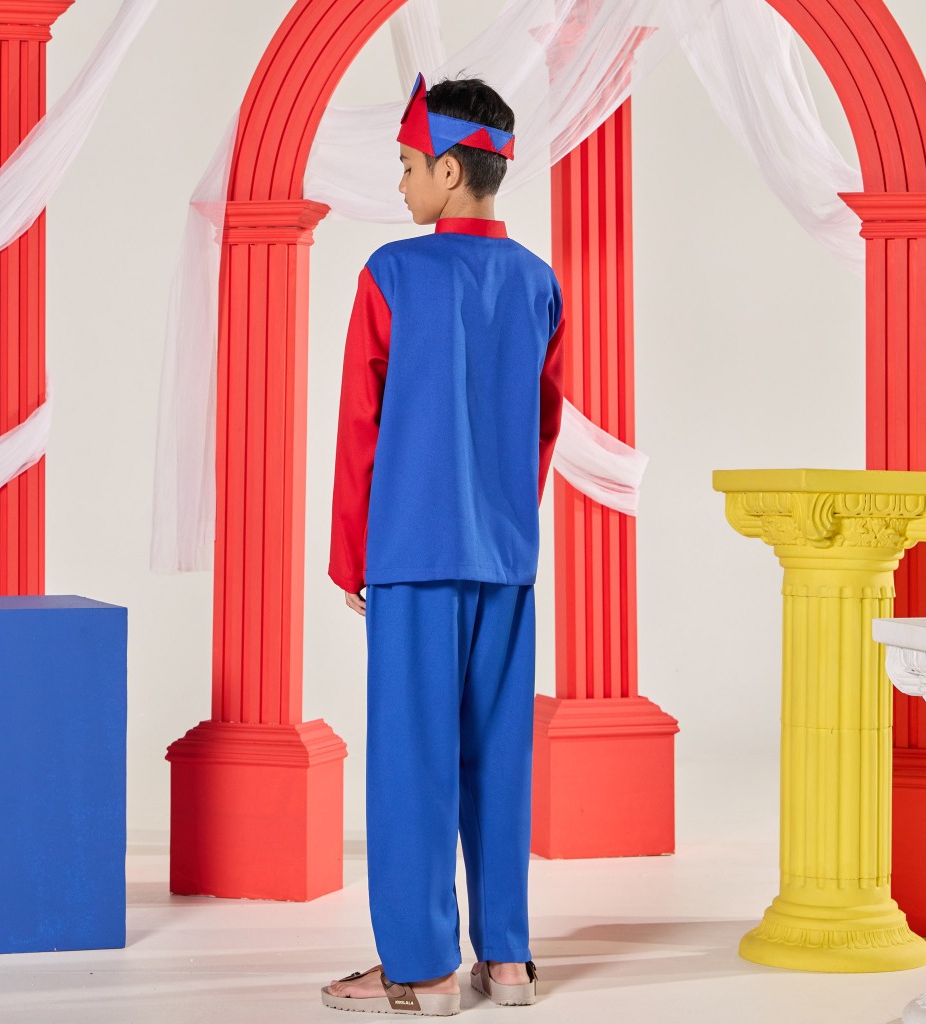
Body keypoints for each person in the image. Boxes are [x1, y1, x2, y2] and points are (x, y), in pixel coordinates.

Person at [321, 71, 565, 1016]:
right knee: (499, 754)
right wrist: (502, 523)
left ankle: (421, 968)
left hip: (414, 555)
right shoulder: (539, 283)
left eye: (408, 164)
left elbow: (362, 424)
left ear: (451, 171)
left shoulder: (392, 273)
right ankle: (507, 962)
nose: (400, 182)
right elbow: (542, 427)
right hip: (504, 558)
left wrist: (352, 555)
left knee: (412, 758)